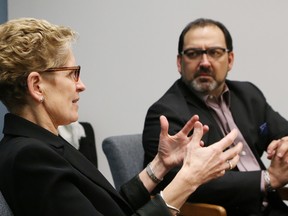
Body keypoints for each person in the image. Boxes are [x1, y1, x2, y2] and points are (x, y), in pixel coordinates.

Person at [0, 18, 242, 216]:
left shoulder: (44, 144)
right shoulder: (29, 157)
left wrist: (159, 166)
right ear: (37, 86)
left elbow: (111, 208)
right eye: (72, 74)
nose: (81, 85)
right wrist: (188, 180)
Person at [142, 18, 288, 216]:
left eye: (214, 52)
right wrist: (268, 179)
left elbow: (283, 133)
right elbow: (180, 182)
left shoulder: (248, 94)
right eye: (193, 54)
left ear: (230, 60)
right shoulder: (165, 114)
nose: (204, 63)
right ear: (179, 62)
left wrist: (285, 146)